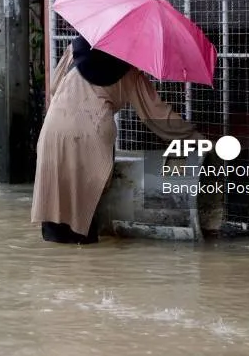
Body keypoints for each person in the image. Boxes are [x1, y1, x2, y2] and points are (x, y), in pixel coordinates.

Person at [31, 35, 204, 244]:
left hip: (53, 130)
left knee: (54, 202)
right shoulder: (127, 69)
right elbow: (158, 116)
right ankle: (83, 267)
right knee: (84, 211)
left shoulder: (75, 47)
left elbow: (53, 87)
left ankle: (56, 269)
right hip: (91, 135)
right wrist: (196, 139)